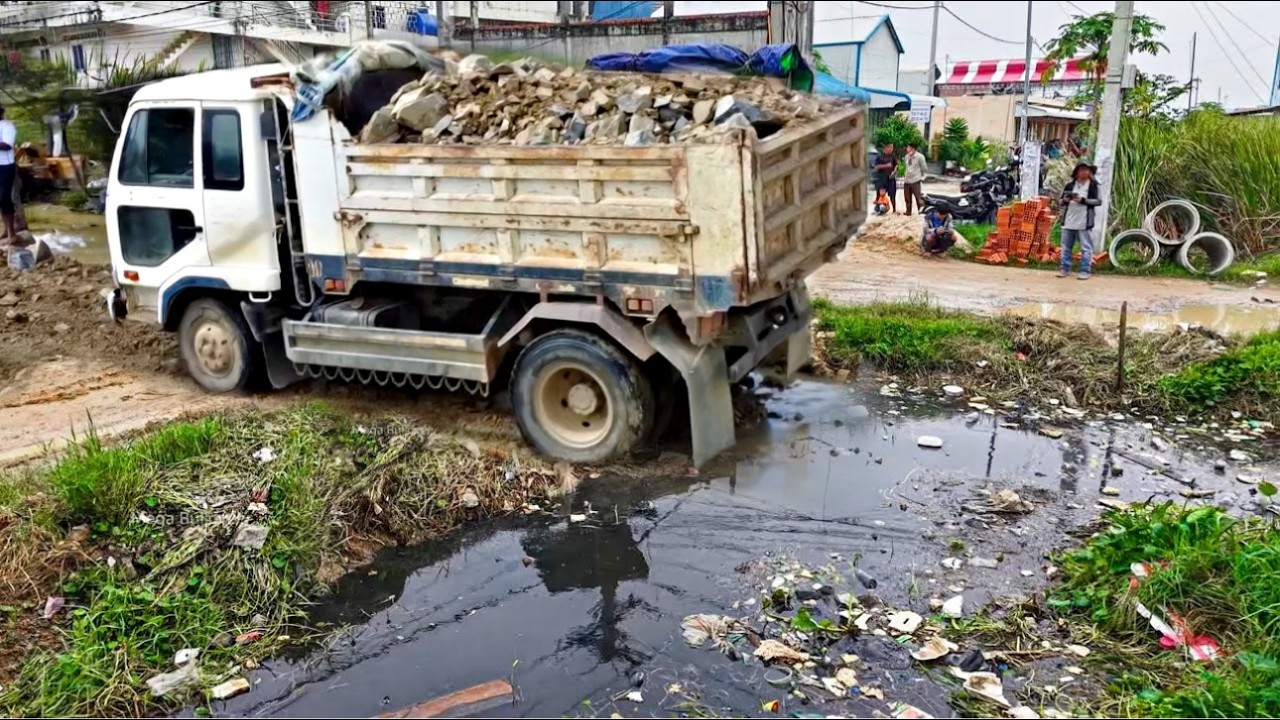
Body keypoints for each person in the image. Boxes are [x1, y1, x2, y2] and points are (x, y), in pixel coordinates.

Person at [1059, 162, 1101, 280]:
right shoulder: (1069, 186)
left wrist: (1083, 200)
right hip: (1069, 220)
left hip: (1084, 221)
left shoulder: (1093, 186)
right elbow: (1061, 201)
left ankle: (1085, 270)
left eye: (1087, 170)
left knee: (1086, 248)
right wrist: (1066, 200)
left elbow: (1098, 201)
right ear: (1077, 172)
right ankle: (1064, 268)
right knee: (1066, 247)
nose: (1085, 172)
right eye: (1082, 170)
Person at [0, 103, 16, 245]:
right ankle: (5, 230)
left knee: (4, 199)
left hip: (5, 166)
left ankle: (12, 233)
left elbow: (7, 145)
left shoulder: (7, 126)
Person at [901, 142, 927, 216]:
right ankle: (908, 212)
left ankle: (920, 211)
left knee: (918, 197)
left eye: (908, 148)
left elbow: (924, 169)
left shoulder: (920, 157)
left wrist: (922, 178)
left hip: (916, 180)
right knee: (907, 198)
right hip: (907, 180)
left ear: (913, 149)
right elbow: (905, 167)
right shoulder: (906, 156)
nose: (907, 149)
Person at [872, 142, 898, 214]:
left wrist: (894, 171)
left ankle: (894, 210)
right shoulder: (879, 157)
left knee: (892, 194)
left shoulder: (893, 156)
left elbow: (896, 165)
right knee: (879, 195)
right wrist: (886, 165)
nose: (891, 149)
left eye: (892, 147)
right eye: (890, 147)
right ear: (885, 148)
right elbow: (876, 167)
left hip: (891, 178)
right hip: (882, 178)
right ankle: (877, 209)